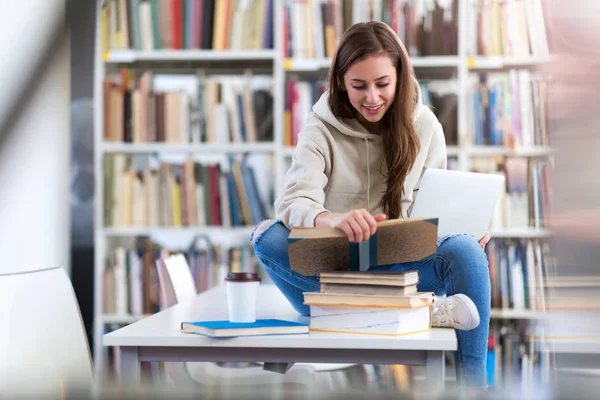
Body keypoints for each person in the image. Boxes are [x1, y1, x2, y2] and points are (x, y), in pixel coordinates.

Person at [251, 21, 491, 388]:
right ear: (341, 82)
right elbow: (294, 201)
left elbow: (435, 210)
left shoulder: (425, 126)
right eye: (358, 86)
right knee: (266, 236)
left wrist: (464, 231)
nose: (372, 98)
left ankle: (473, 391)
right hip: (331, 275)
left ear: (400, 77)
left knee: (467, 252)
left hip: (400, 271)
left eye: (383, 84)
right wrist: (330, 219)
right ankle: (415, 310)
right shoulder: (320, 127)